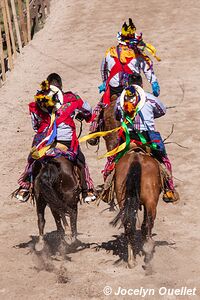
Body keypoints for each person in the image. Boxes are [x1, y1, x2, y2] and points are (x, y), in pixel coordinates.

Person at [15, 73, 96, 203]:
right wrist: (83, 116)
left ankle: (25, 186)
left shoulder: (38, 103)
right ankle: (87, 189)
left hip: (45, 141)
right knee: (81, 160)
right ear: (61, 86)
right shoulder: (72, 99)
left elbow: (35, 126)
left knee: (32, 159)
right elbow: (88, 111)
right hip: (66, 142)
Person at [88, 18, 161, 145]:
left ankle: (94, 132)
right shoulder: (138, 55)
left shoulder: (110, 53)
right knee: (143, 107)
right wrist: (154, 83)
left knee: (99, 109)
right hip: (133, 90)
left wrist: (105, 82)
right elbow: (148, 70)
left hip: (114, 91)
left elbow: (103, 69)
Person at [113, 76, 179, 203]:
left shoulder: (120, 100)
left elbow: (116, 115)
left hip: (128, 139)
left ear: (128, 85)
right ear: (141, 85)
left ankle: (107, 188)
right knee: (164, 160)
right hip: (148, 138)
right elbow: (162, 111)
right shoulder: (150, 98)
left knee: (112, 161)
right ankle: (169, 189)